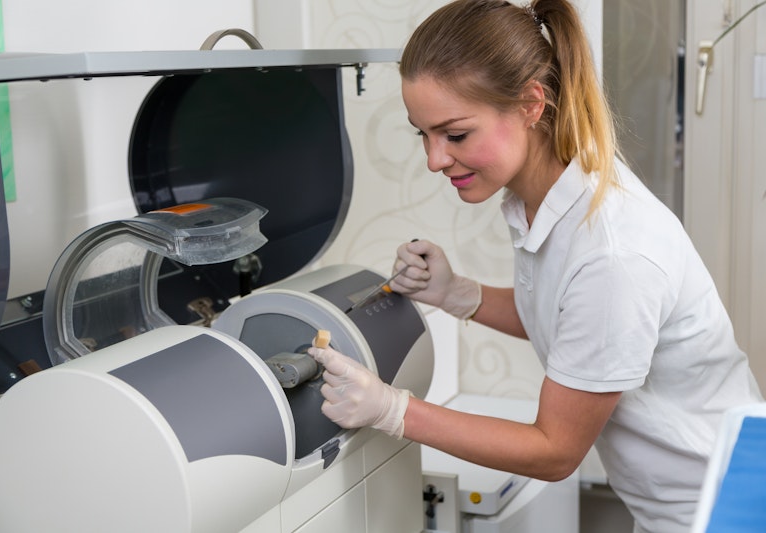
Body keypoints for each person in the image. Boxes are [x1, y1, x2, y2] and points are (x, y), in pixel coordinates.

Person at [307, 1, 764, 532]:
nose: (434, 159)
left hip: (720, 510)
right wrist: (457, 293)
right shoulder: (545, 196)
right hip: (673, 501)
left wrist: (393, 410)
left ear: (530, 104)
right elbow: (574, 325)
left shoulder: (612, 252)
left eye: (454, 134)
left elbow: (554, 451)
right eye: (422, 134)